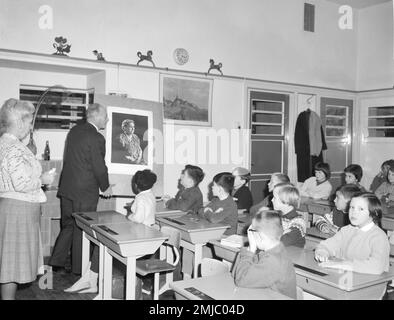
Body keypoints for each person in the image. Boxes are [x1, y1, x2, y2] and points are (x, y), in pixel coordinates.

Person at [66, 169, 157, 295]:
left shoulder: (141, 199)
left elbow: (138, 218)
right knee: (101, 244)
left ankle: (91, 280)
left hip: (139, 239)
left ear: (136, 185)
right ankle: (90, 280)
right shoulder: (150, 195)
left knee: (102, 244)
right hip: (143, 234)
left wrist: (130, 216)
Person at [0, 99, 56, 300]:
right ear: (20, 121)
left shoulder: (5, 143)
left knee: (9, 265)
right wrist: (43, 179)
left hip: (13, 209)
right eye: (30, 121)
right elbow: (22, 183)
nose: (31, 126)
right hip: (18, 211)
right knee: (12, 265)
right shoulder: (13, 147)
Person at [49, 103, 113, 276]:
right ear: (97, 117)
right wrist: (105, 187)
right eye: (105, 115)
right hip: (84, 193)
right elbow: (99, 166)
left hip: (67, 189)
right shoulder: (97, 138)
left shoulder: (74, 131)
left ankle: (56, 262)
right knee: (82, 229)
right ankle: (79, 269)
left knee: (68, 226)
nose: (107, 119)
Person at [315, 193, 390, 275]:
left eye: (361, 209)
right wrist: (322, 252)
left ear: (374, 213)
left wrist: (342, 265)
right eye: (352, 207)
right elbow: (327, 245)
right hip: (346, 278)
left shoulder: (379, 236)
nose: (354, 212)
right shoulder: (346, 230)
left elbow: (377, 266)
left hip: (369, 283)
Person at [232, 210, 297, 299]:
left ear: (260, 235)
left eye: (252, 232)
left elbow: (241, 280)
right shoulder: (274, 250)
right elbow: (236, 274)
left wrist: (250, 250)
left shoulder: (272, 260)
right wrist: (250, 250)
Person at [272, 183, 306, 247]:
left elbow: (281, 244)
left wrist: (278, 235)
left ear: (286, 200)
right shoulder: (276, 216)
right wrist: (281, 234)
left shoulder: (298, 223)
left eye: (274, 197)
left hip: (293, 256)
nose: (272, 200)